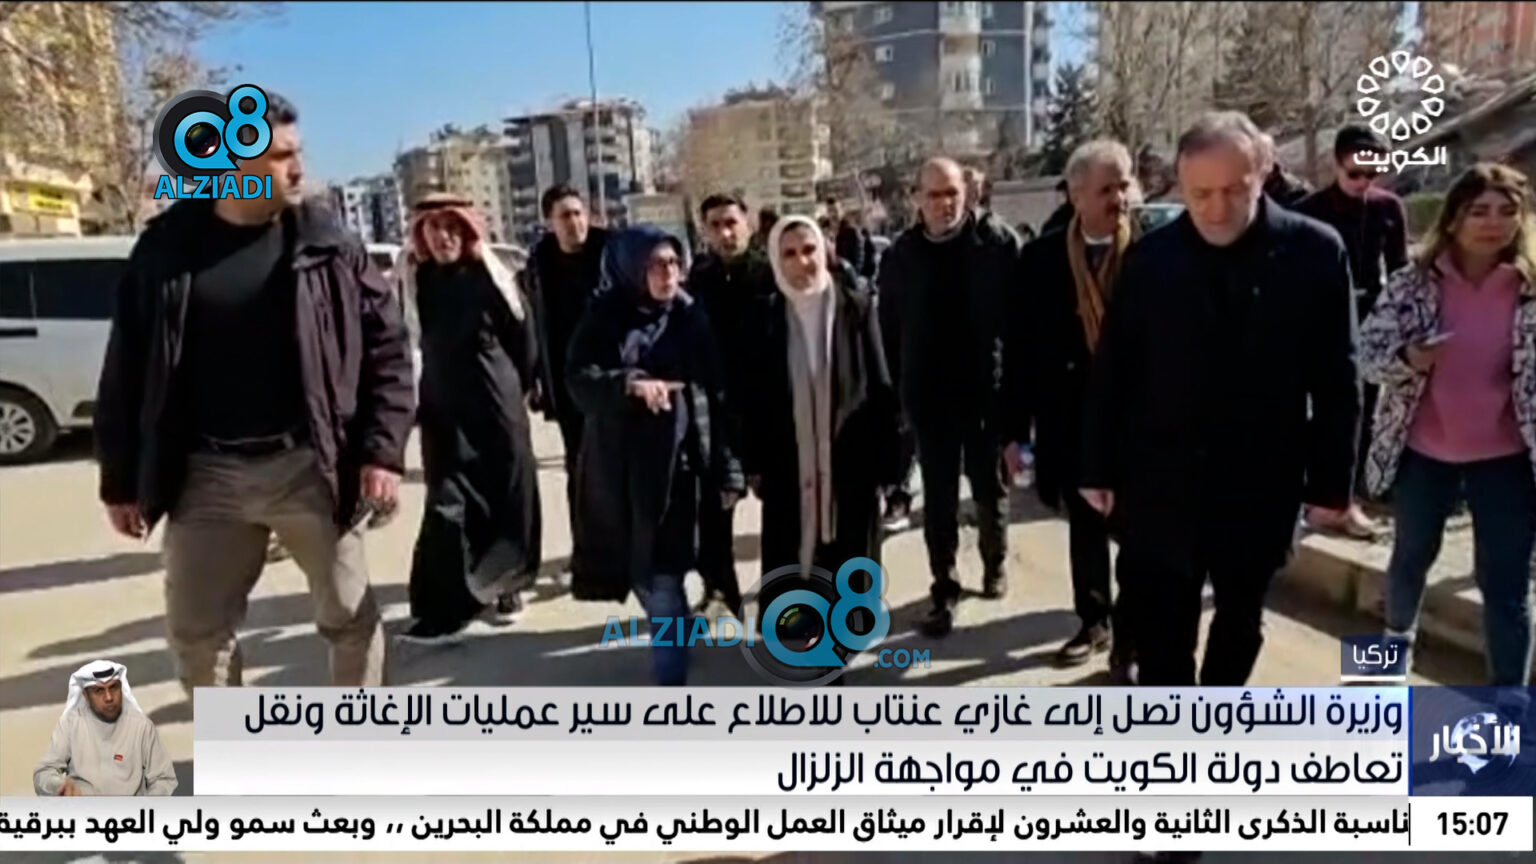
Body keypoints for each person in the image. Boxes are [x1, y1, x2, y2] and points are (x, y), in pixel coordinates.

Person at [95, 92, 409, 693]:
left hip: (311, 466)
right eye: (281, 156)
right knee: (198, 633)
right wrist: (120, 479)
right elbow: (126, 369)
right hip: (205, 477)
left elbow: (387, 352)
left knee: (350, 619)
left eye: (298, 152)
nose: (299, 169)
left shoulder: (329, 245)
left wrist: (382, 452)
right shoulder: (165, 250)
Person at [1080, 112, 1360, 689]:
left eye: (1234, 189)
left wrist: (1331, 486)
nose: (1216, 208)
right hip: (1162, 480)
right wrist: (1097, 466)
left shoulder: (1313, 252)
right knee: (1163, 631)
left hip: (1261, 480)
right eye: (1200, 193)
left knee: (1241, 617)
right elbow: (1114, 371)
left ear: (1264, 172)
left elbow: (1338, 378)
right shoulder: (1151, 261)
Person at [1360, 163, 1536, 686]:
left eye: (1507, 211)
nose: (1493, 223)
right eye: (1479, 211)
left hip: (1506, 460)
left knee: (1505, 586)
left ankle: (1510, 707)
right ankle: (1383, 671)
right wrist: (1408, 359)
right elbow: (1366, 355)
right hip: (1424, 453)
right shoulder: (1412, 282)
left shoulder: (1529, 288)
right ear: (1454, 218)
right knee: (1409, 560)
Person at [565, 225, 745, 684]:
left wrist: (727, 466)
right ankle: (675, 635)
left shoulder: (691, 316)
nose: (668, 273)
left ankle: (671, 675)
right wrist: (629, 385)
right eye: (656, 264)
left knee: (665, 574)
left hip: (684, 469)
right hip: (623, 473)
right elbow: (579, 381)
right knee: (645, 574)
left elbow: (717, 393)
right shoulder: (603, 318)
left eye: (674, 263)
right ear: (631, 268)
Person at [879, 157, 1025, 638]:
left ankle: (994, 562)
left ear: (968, 194)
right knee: (939, 498)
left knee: (988, 489)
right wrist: (898, 395)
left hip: (985, 393)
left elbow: (1019, 326)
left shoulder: (997, 244)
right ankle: (944, 584)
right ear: (916, 199)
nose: (943, 204)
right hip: (929, 397)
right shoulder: (901, 255)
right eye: (933, 195)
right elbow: (889, 328)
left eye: (951, 194)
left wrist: (1016, 403)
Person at [1017, 139, 1142, 680]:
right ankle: (1094, 620)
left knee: (1138, 533)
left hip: (1138, 419)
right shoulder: (1041, 258)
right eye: (1106, 188)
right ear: (1075, 194)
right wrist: (1014, 431)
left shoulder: (1153, 251)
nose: (1119, 198)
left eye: (1124, 185)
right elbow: (1021, 348)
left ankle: (1130, 638)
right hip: (1070, 417)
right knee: (1085, 527)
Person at [395, 194, 543, 644]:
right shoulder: (419, 278)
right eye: (433, 229)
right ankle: (445, 606)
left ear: (467, 231)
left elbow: (524, 338)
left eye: (452, 228)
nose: (443, 237)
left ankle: (507, 585)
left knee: (504, 493)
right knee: (447, 498)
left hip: (495, 400)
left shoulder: (490, 277)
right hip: (443, 405)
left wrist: (517, 390)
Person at [742, 212, 903, 595]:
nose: (802, 262)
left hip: (851, 459)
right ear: (776, 259)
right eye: (790, 253)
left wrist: (889, 462)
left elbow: (880, 384)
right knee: (790, 554)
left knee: (851, 554)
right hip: (788, 462)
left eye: (809, 250)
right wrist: (754, 463)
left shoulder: (856, 306)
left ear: (824, 251)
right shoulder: (765, 316)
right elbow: (753, 399)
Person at [1296, 125, 1410, 536]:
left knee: (1361, 407)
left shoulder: (1388, 207)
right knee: (1316, 409)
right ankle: (1311, 492)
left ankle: (1348, 496)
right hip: (1320, 316)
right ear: (1337, 165)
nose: (1363, 183)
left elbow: (1399, 269)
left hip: (1370, 314)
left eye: (1372, 174)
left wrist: (1402, 319)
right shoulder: (1309, 210)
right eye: (1355, 174)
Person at [686, 193, 776, 617]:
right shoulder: (698, 279)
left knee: (778, 510)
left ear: (749, 224)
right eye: (715, 225)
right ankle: (721, 592)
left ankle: (780, 592)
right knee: (713, 512)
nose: (725, 233)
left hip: (768, 407)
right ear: (704, 231)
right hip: (718, 411)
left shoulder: (770, 273)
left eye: (731, 223)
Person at [525, 184, 609, 580]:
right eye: (565, 216)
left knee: (621, 471)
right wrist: (536, 379)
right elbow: (535, 325)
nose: (575, 222)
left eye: (579, 213)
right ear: (549, 223)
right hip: (567, 385)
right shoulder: (539, 264)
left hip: (612, 382)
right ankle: (586, 554)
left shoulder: (610, 253)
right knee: (580, 471)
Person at [34, 661, 176, 797]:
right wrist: (58, 786)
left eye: (113, 688)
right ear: (86, 695)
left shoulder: (141, 727)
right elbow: (44, 772)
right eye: (99, 691)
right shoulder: (71, 725)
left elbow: (163, 779)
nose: (109, 698)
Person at [825, 196, 868, 276]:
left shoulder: (851, 232)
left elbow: (858, 261)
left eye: (835, 210)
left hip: (848, 277)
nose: (833, 214)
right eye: (830, 211)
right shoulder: (826, 233)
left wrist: (850, 277)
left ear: (842, 211)